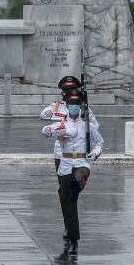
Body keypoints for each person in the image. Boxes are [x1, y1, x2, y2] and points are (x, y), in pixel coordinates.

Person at [42, 89, 103, 256]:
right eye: (72, 104)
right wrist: (54, 131)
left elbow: (99, 143)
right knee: (67, 200)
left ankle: (72, 232)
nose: (74, 107)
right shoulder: (62, 124)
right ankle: (73, 236)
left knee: (73, 192)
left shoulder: (88, 126)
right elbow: (46, 131)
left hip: (82, 163)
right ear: (67, 106)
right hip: (65, 164)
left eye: (77, 104)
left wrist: (96, 153)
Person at [40, 76, 99, 172]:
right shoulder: (57, 106)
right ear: (62, 93)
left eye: (72, 90)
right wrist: (62, 122)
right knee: (63, 183)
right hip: (61, 149)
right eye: (66, 90)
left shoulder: (83, 109)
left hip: (80, 150)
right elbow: (43, 115)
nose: (69, 93)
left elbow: (94, 126)